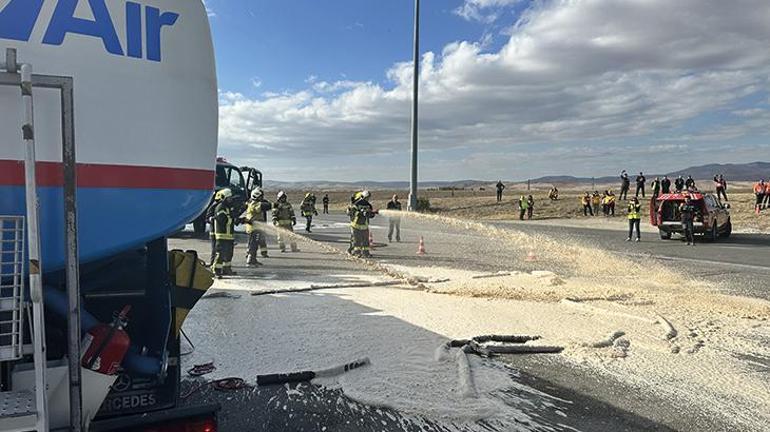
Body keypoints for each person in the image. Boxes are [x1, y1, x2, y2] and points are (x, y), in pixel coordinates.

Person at [212, 188, 237, 278]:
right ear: (224, 198)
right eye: (229, 198)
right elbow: (223, 220)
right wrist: (234, 219)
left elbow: (230, 218)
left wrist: (238, 219)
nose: (230, 200)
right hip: (221, 235)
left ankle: (227, 269)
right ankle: (216, 270)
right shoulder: (220, 207)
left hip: (229, 235)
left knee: (229, 253)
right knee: (220, 254)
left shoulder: (227, 208)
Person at [243, 188, 272, 266]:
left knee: (254, 244)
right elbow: (266, 206)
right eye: (260, 197)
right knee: (253, 245)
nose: (261, 198)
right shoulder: (254, 204)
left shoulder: (252, 203)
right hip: (254, 228)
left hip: (254, 228)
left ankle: (253, 259)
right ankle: (250, 260)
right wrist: (272, 204)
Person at [348, 190, 377, 257]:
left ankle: (366, 253)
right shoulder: (356, 204)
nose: (367, 199)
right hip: (356, 225)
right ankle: (357, 252)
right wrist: (362, 213)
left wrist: (372, 214)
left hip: (364, 225)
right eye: (366, 197)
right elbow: (353, 212)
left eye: (368, 198)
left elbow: (371, 215)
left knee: (366, 240)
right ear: (363, 196)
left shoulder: (368, 205)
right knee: (357, 240)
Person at [206, 190, 224, 266]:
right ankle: (213, 263)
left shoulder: (216, 205)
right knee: (215, 248)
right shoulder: (215, 206)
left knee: (216, 248)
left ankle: (214, 263)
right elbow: (208, 218)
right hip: (214, 231)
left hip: (217, 231)